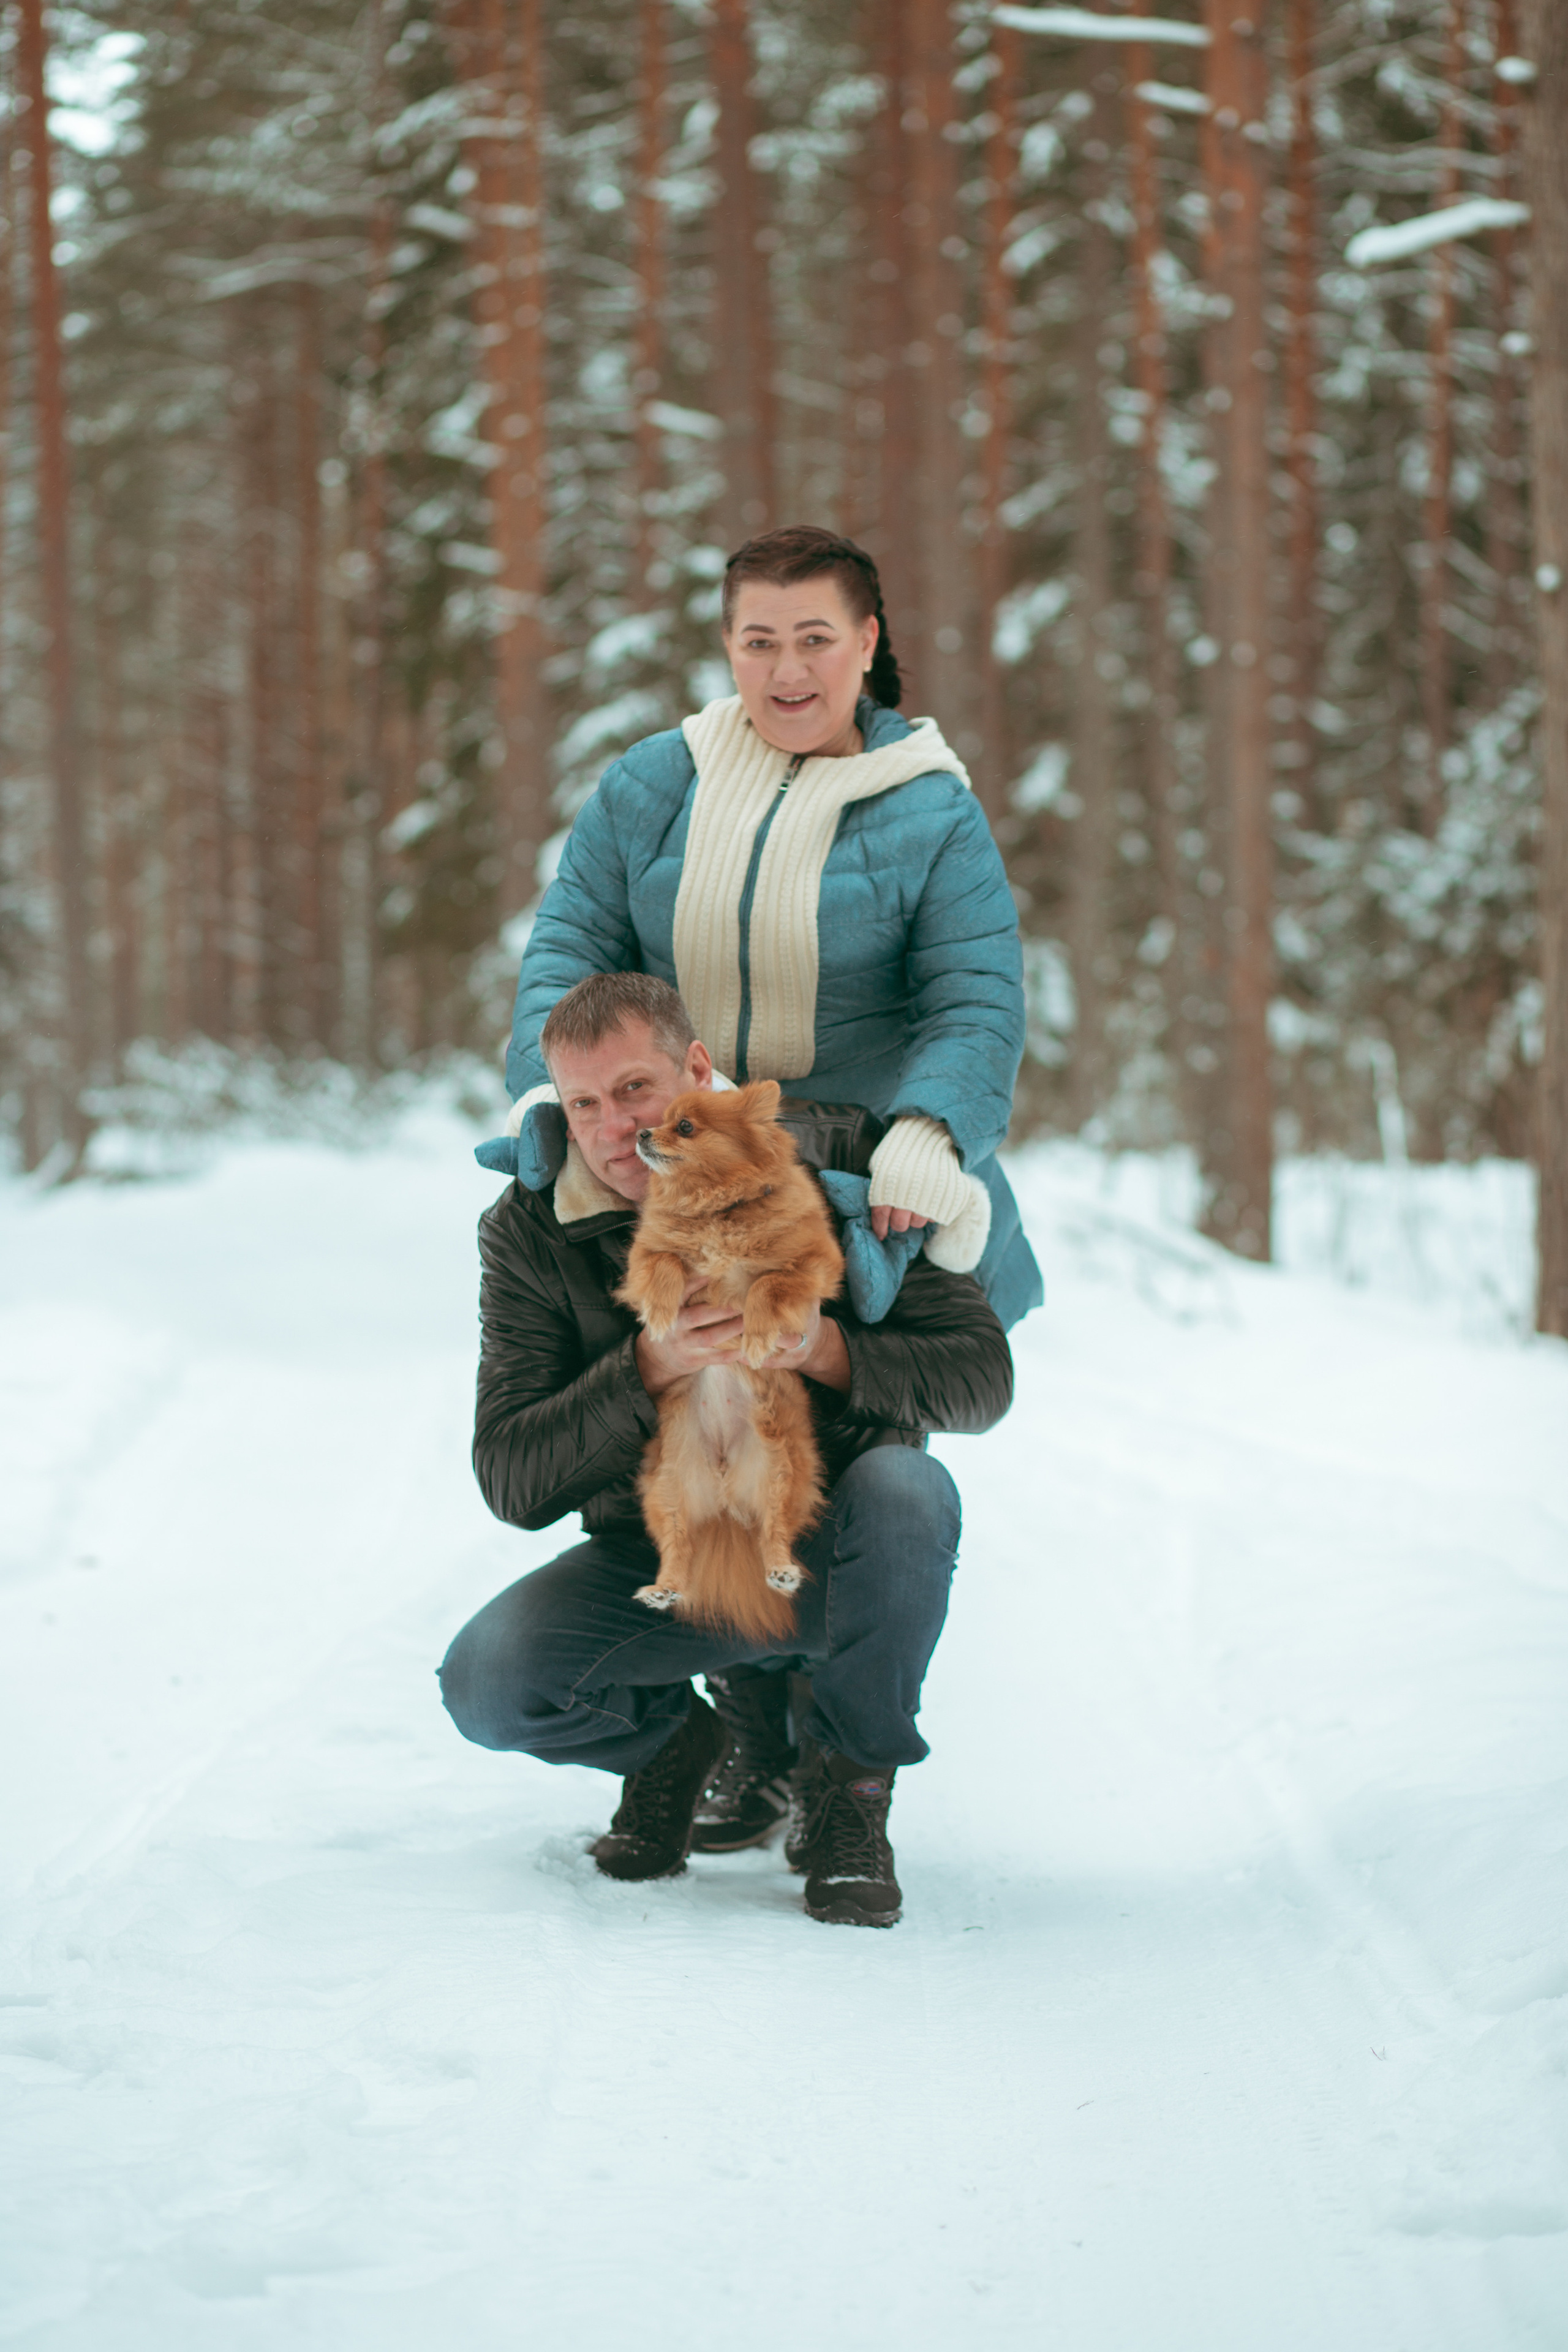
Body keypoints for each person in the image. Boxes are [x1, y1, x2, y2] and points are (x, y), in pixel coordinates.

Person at [440, 971, 1014, 1928]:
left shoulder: (840, 1161)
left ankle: (848, 1793)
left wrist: (827, 1349)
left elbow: (979, 1379)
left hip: (835, 1552)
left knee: (911, 1490)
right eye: (584, 1104)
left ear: (698, 1070)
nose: (615, 1128)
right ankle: (674, 1746)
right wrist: (645, 1366)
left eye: (635, 1090)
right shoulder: (533, 1232)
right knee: (490, 1682)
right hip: (679, 1561)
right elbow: (511, 1476)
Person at [501, 524, 1043, 1333]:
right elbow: (570, 951)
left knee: (857, 1454)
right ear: (728, 647)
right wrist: (547, 1087)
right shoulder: (651, 784)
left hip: (852, 1201)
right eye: (760, 642)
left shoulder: (933, 812)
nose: (787, 671)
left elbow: (974, 1003)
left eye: (815, 640)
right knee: (629, 1430)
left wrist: (931, 1133)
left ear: (866, 642)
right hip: (661, 1178)